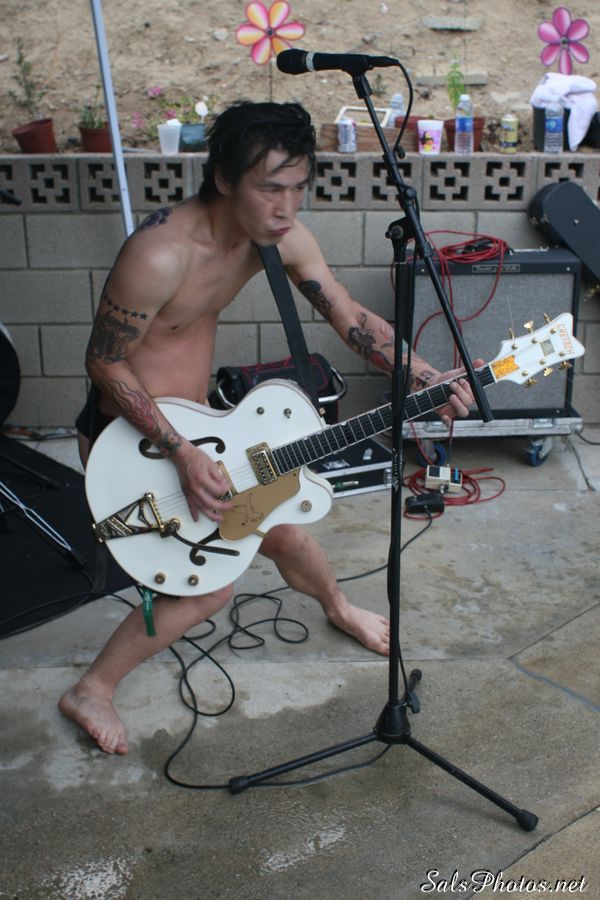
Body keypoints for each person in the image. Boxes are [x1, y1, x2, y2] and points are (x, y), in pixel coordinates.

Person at [59, 101, 479, 755]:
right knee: (211, 589)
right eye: (270, 188)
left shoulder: (279, 236)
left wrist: (425, 376)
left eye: (298, 187)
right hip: (136, 443)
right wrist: (179, 454)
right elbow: (103, 361)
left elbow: (349, 317)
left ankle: (338, 607)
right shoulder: (161, 253)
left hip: (206, 434)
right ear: (224, 179)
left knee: (286, 533)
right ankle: (92, 688)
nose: (287, 207)